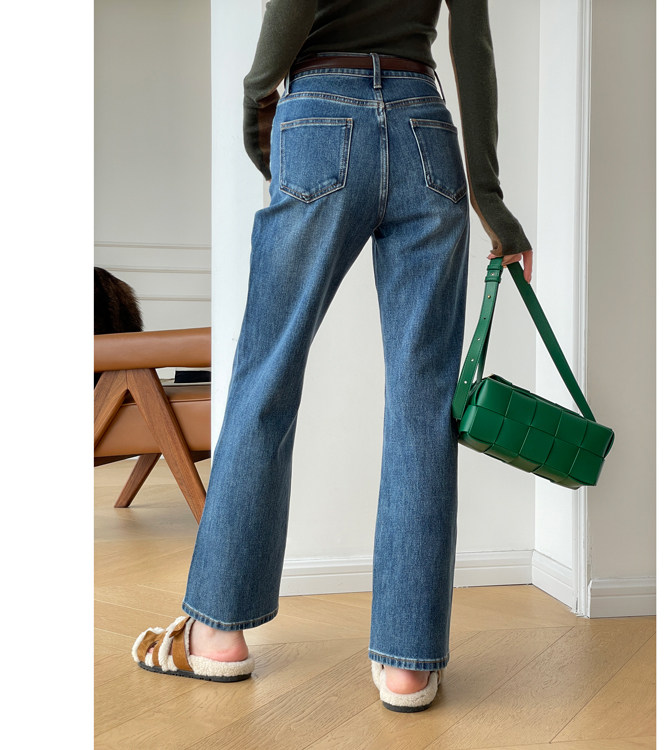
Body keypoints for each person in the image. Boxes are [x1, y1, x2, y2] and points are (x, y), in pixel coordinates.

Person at [131, 0, 532, 712]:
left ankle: (217, 633)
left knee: (266, 376)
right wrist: (491, 201)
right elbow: (473, 43)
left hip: (320, 110)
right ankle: (407, 666)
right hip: (425, 127)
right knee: (424, 402)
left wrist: (261, 106)